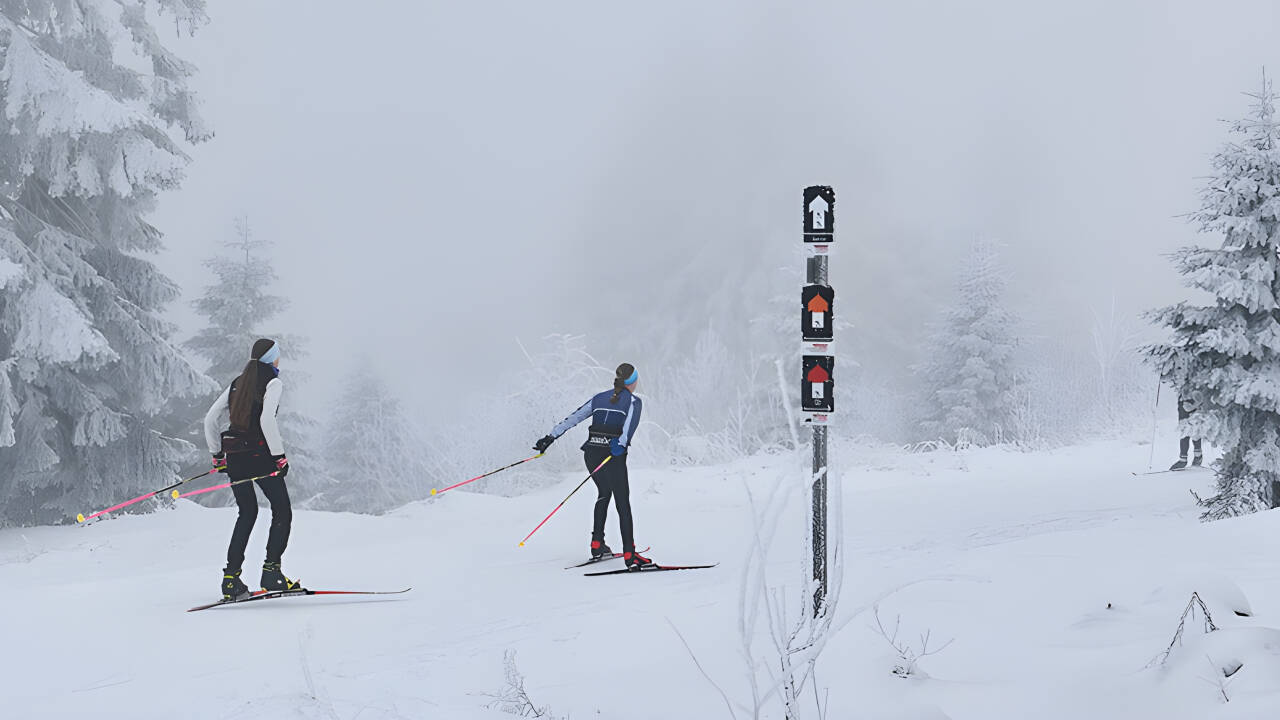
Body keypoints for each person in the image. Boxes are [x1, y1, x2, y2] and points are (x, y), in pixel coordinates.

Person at [203, 338, 298, 599]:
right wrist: (279, 457)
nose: (279, 360)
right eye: (278, 356)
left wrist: (217, 455)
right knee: (282, 510)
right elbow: (267, 419)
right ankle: (272, 573)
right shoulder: (273, 382)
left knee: (247, 512)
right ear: (272, 358)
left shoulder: (237, 382)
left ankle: (231, 580)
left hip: (235, 458)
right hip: (260, 457)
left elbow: (210, 419)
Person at [534, 363, 652, 569]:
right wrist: (619, 445)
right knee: (622, 501)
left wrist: (550, 437)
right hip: (612, 456)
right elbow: (628, 430)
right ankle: (630, 555)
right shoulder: (634, 402)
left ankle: (597, 544)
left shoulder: (598, 398)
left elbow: (574, 417)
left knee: (604, 493)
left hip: (592, 454)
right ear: (632, 382)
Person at [1170, 393, 1204, 471]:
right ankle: (1183, 459)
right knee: (1184, 428)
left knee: (1195, 427)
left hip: (1195, 398)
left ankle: (1198, 455)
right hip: (1183, 399)